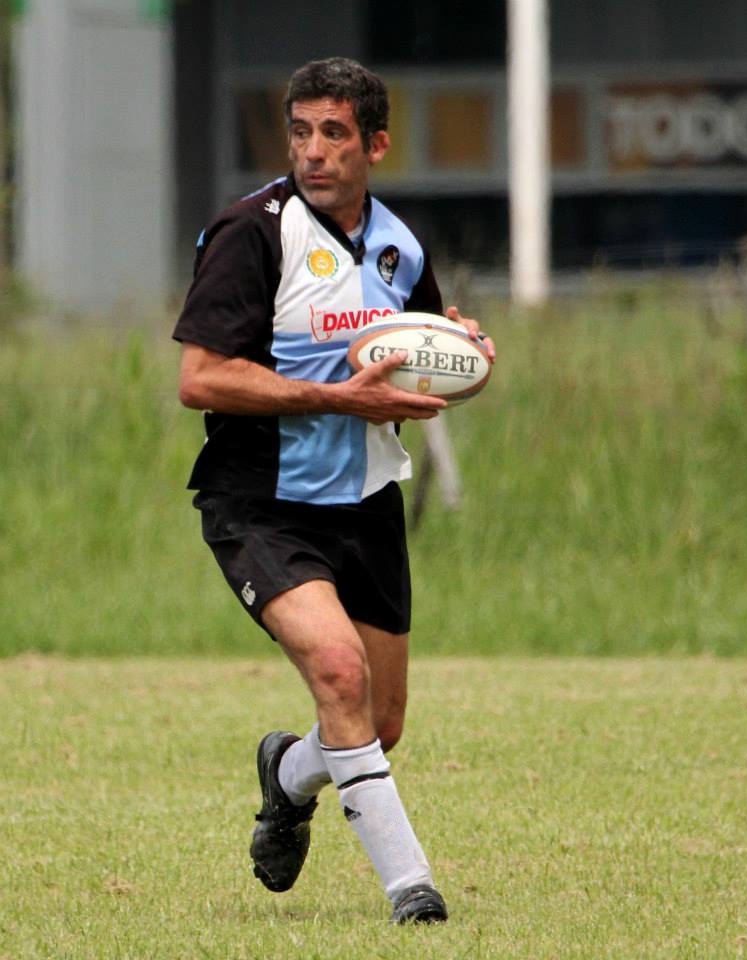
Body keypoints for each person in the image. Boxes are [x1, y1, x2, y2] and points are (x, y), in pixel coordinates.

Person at [173, 57, 496, 925]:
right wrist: (336, 397)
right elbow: (201, 379)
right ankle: (413, 894)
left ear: (376, 144)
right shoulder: (253, 234)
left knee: (378, 723)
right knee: (337, 671)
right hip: (260, 503)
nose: (313, 152)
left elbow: (417, 365)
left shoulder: (398, 243)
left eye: (334, 133)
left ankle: (287, 772)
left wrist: (461, 358)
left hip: (366, 504)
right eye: (300, 132)